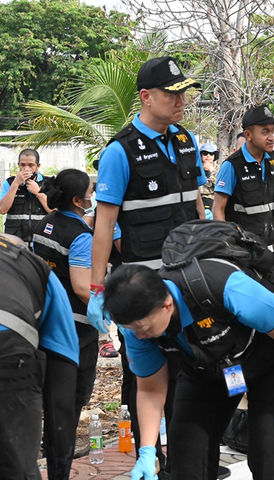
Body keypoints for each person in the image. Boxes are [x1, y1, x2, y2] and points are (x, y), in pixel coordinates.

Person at [102, 262, 274, 480]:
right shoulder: (136, 327)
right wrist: (147, 451)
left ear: (167, 305)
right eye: (131, 330)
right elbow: (151, 390)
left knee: (269, 455)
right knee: (187, 454)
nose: (140, 336)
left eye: (144, 328)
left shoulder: (226, 288)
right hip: (212, 365)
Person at [88, 55, 207, 476]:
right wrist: (99, 288)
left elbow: (196, 207)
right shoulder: (120, 152)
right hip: (143, 289)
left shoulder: (185, 141)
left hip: (188, 286)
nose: (181, 101)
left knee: (191, 371)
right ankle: (148, 456)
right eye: (172, 94)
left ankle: (187, 459)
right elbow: (104, 225)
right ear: (146, 97)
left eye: (183, 93)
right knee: (144, 376)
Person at [29, 169, 101, 479]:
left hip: (45, 324)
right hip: (76, 332)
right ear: (77, 199)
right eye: (89, 191)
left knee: (49, 400)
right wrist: (109, 305)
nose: (92, 195)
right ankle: (60, 468)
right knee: (70, 406)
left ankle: (41, 456)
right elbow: (83, 288)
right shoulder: (80, 236)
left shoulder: (43, 225)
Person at [0, 233, 78, 479]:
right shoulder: (38, 270)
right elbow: (61, 402)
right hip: (10, 347)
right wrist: (59, 470)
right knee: (15, 464)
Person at [212, 105, 274, 292]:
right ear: (248, 134)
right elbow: (218, 209)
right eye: (265, 132)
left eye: (272, 131)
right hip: (248, 257)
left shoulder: (273, 160)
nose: (271, 137)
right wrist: (226, 249)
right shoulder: (232, 166)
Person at [0, 148, 52, 244]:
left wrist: (38, 192)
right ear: (18, 165)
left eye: (31, 165)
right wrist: (15, 184)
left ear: (38, 166)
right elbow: (2, 210)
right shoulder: (9, 182)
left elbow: (53, 210)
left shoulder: (49, 183)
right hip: (15, 244)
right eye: (22, 165)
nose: (26, 169)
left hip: (42, 243)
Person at [199, 142, 219, 218]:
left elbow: (219, 186)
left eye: (211, 154)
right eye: (205, 153)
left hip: (213, 199)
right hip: (198, 199)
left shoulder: (218, 169)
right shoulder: (196, 168)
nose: (208, 156)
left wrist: (212, 172)